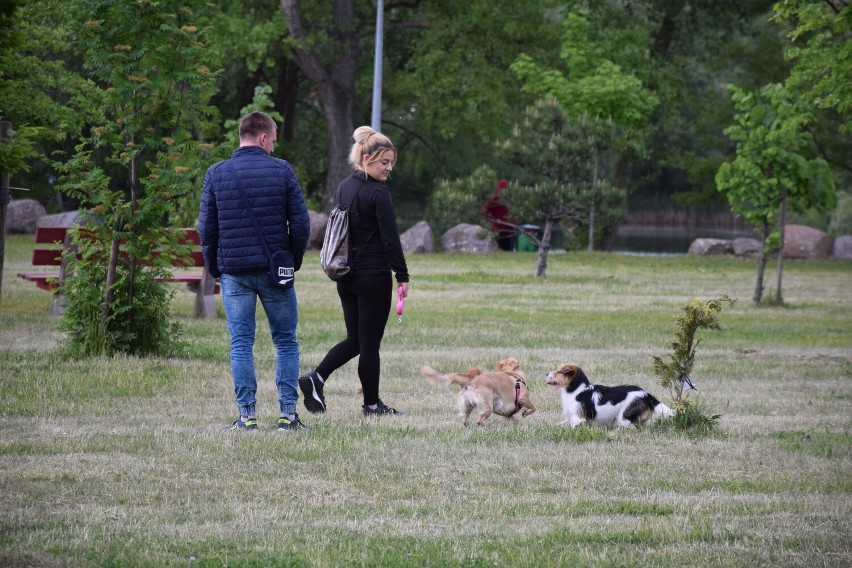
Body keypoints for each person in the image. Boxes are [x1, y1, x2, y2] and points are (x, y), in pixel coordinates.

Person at [198, 111, 311, 431]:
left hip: (234, 270)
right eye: (273, 140)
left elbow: (206, 227)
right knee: (286, 341)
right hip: (276, 269)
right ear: (263, 137)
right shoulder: (282, 171)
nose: (274, 147)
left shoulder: (216, 173)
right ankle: (287, 415)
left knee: (241, 343)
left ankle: (246, 416)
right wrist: (292, 260)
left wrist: (214, 266)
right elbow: (301, 223)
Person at [299, 126, 410, 416]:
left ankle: (317, 377)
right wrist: (402, 276)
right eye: (383, 162)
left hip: (346, 276)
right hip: (373, 276)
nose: (388, 168)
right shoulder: (379, 193)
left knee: (356, 339)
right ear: (366, 158)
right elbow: (390, 238)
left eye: (391, 163)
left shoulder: (344, 186)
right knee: (370, 344)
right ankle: (372, 406)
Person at [483, 179, 515, 251]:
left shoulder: (511, 199)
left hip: (509, 229)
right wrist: (493, 220)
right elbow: (484, 211)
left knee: (508, 251)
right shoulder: (494, 199)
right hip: (497, 230)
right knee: (497, 250)